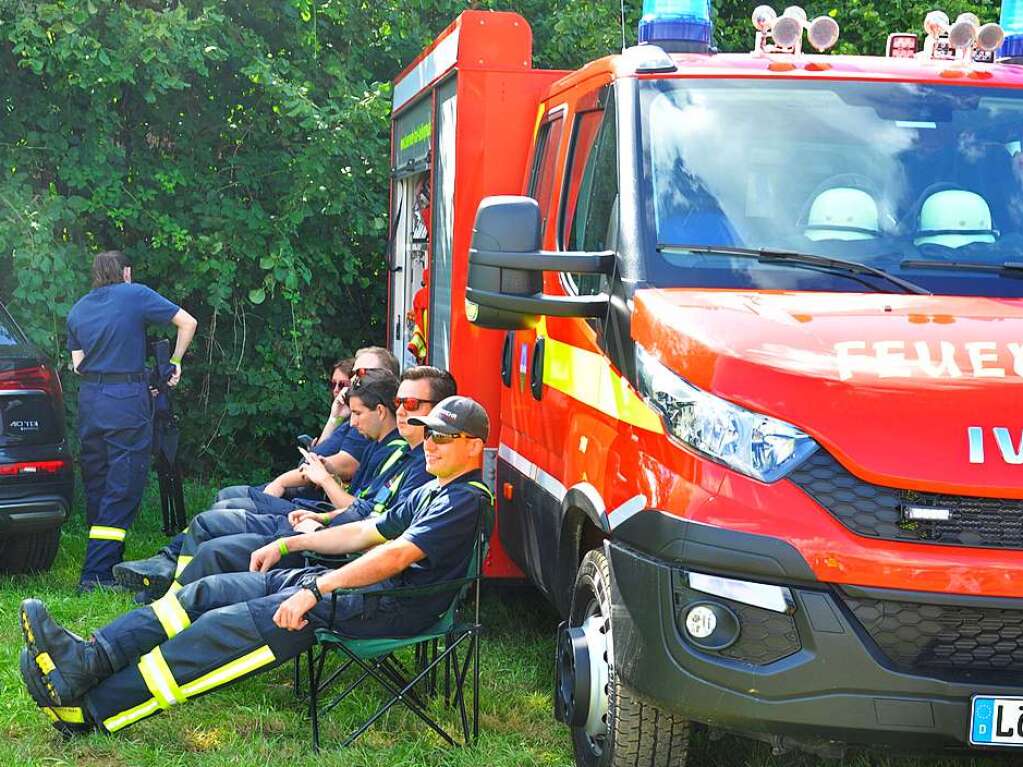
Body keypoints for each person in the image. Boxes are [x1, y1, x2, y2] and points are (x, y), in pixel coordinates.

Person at [18, 396, 493, 737]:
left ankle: (90, 711)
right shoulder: (432, 489)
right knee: (202, 594)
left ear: (474, 447)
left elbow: (395, 555)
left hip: (387, 606)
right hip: (350, 588)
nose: (430, 443)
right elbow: (363, 533)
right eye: (428, 433)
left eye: (445, 437)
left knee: (220, 631)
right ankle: (89, 660)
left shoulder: (465, 500)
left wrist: (318, 589)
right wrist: (286, 545)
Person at [149, 366, 456, 590]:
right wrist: (321, 519)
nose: (401, 411)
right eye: (400, 402)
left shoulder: (425, 470)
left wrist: (319, 507)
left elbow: (378, 536)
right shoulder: (404, 455)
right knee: (215, 527)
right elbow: (368, 513)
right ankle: (168, 589)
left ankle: (169, 597)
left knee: (215, 545)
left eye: (411, 405)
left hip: (333, 557)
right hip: (322, 532)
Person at [67, 250, 197, 592]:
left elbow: (78, 365)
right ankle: (96, 575)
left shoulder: (79, 308)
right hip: (125, 403)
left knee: (98, 480)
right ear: (126, 271)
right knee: (123, 484)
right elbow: (188, 322)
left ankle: (108, 560)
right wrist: (174, 362)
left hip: (90, 402)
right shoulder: (134, 293)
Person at [213, 346, 399, 509]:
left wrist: (288, 481)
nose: (353, 382)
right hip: (308, 499)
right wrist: (334, 418)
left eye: (361, 374)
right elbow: (320, 453)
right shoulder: (357, 421)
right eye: (353, 374)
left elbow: (346, 473)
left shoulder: (370, 428)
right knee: (224, 504)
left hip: (310, 500)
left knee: (226, 504)